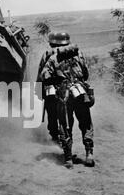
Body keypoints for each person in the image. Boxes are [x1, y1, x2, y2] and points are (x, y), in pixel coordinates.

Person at [41, 33, 95, 169]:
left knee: (65, 126)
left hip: (63, 95)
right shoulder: (79, 55)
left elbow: (44, 77)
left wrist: (57, 80)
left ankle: (68, 158)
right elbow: (86, 74)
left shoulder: (53, 58)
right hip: (80, 93)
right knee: (86, 123)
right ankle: (89, 154)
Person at [36, 32, 68, 142]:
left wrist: (39, 92)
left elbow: (41, 74)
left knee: (52, 114)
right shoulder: (73, 54)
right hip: (68, 89)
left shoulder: (47, 54)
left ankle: (55, 138)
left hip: (51, 90)